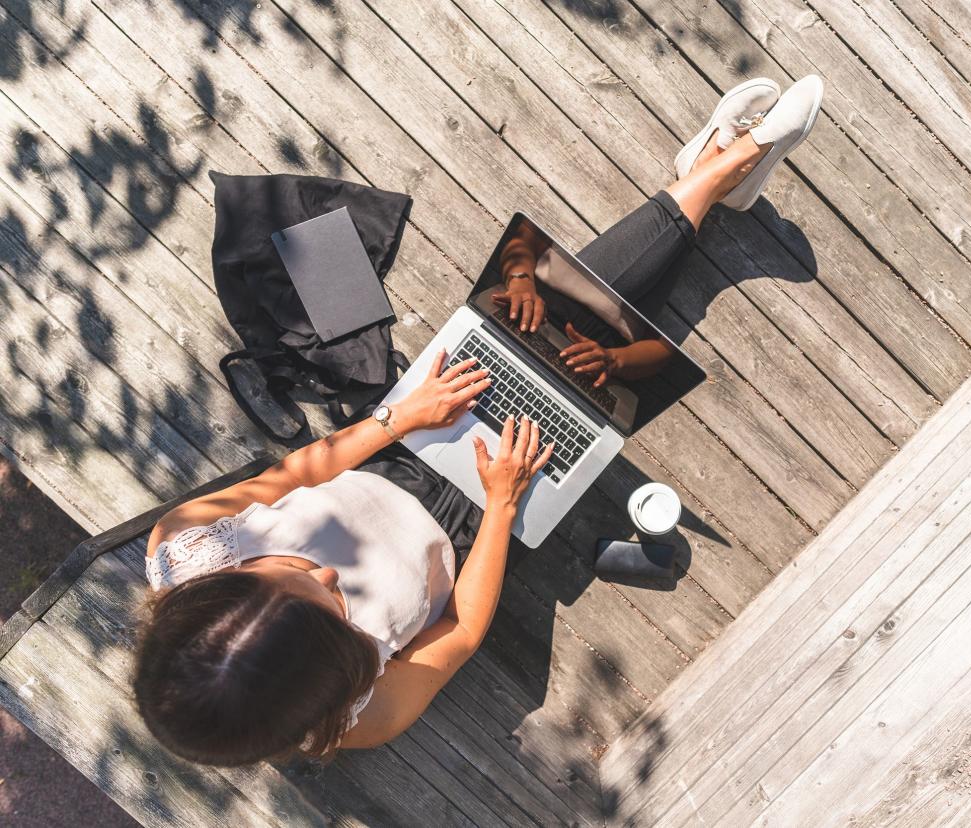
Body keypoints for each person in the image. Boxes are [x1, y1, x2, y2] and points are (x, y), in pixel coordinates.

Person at [133, 76, 824, 766]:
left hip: (393, 449)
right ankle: (715, 172)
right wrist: (500, 505)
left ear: (214, 586)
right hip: (477, 532)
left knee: (535, 325)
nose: (329, 577)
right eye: (331, 610)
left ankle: (713, 177)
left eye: (291, 572)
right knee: (591, 371)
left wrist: (399, 418)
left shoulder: (182, 545)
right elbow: (459, 632)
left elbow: (293, 473)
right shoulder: (359, 713)